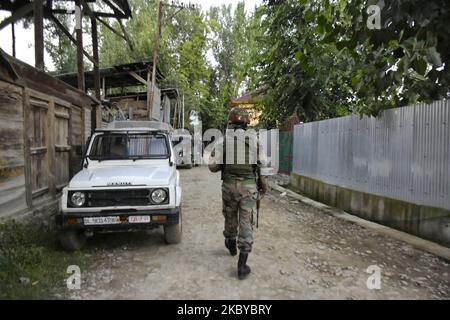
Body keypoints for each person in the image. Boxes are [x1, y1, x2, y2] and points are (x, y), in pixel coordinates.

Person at [208, 107, 268, 280]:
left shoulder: (223, 141)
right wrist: (263, 186)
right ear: (246, 123)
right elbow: (261, 167)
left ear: (231, 122)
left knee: (229, 216)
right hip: (248, 188)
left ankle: (230, 243)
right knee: (246, 222)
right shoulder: (255, 140)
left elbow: (213, 168)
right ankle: (242, 266)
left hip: (228, 186)